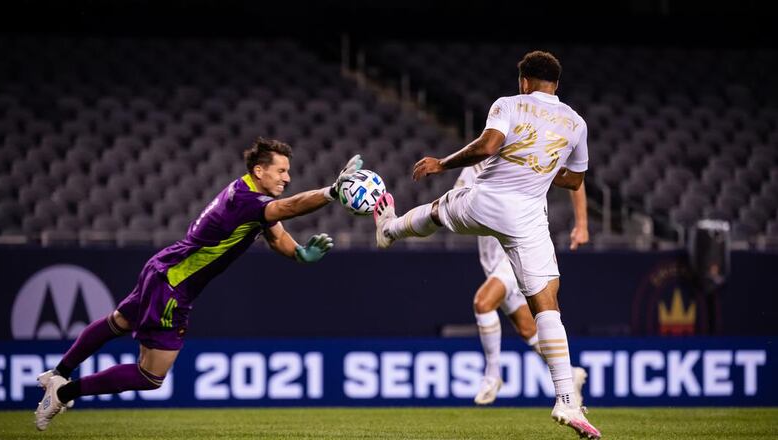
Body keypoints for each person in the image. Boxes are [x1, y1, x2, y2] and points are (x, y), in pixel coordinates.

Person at [35, 138, 362, 431]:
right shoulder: (248, 202)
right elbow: (288, 208)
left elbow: (275, 233)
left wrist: (299, 254)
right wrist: (331, 192)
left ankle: (58, 372)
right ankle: (63, 392)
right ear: (260, 170)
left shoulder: (247, 192)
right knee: (151, 376)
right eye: (281, 171)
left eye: (288, 171)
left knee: (118, 322)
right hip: (174, 286)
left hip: (163, 267)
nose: (287, 178)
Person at [374, 51, 600, 438]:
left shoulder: (509, 104)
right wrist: (539, 168)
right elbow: (575, 181)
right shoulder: (576, 124)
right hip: (529, 218)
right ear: (557, 85)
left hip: (489, 201)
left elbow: (489, 145)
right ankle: (566, 399)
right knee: (548, 305)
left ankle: (389, 229)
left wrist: (442, 163)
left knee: (436, 212)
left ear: (524, 81)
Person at [454, 164, 589, 406]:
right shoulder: (470, 170)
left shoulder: (524, 159)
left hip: (520, 252)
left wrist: (582, 224)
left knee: (483, 303)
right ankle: (570, 373)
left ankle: (492, 375)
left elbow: (574, 178)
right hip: (493, 262)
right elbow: (456, 208)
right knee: (529, 331)